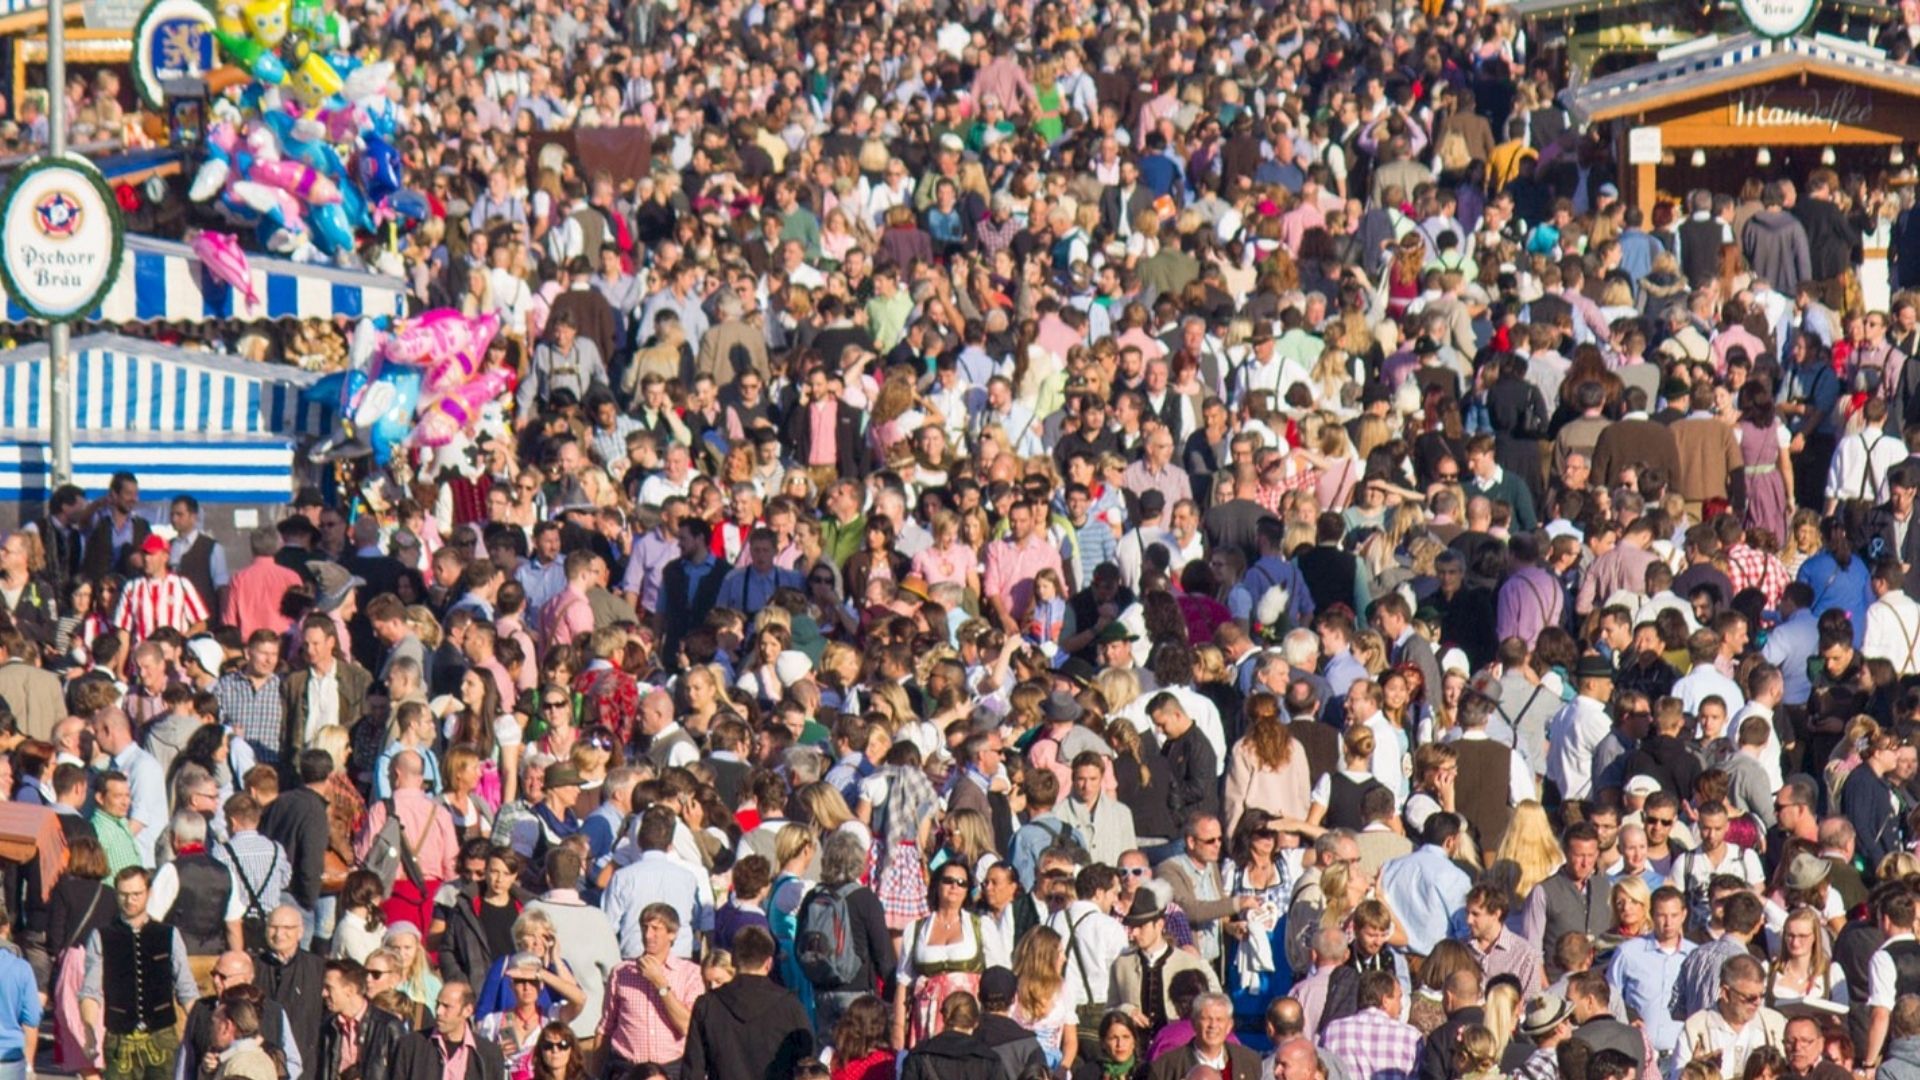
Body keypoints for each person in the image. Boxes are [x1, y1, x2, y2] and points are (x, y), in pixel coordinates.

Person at [78, 867, 201, 1080]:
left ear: (149, 893)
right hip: (119, 1036)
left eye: (136, 894)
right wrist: (89, 1032)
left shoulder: (169, 934)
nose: (130, 901)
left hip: (162, 1036)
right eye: (124, 894)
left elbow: (186, 989)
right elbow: (90, 991)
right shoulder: (101, 936)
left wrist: (202, 1031)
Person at [681, 926, 815, 1080]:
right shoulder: (789, 1006)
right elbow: (808, 1065)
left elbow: (693, 1070)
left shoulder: (707, 1005)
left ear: (733, 960)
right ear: (769, 963)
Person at [598, 903, 702, 1076]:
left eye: (655, 929)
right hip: (628, 1068)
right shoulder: (621, 972)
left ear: (672, 934)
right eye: (644, 928)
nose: (648, 935)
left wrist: (660, 984)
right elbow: (606, 1027)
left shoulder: (689, 974)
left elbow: (687, 1026)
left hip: (670, 1069)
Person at [390, 981, 506, 1080]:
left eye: (447, 1006)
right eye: (437, 1004)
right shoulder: (411, 1045)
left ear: (467, 1011)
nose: (439, 1011)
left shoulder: (487, 1054)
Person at [318, 958, 404, 1080]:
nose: (324, 993)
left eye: (329, 988)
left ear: (350, 990)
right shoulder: (328, 1027)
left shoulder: (388, 1027)